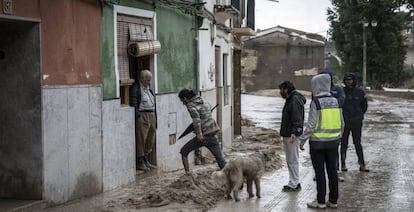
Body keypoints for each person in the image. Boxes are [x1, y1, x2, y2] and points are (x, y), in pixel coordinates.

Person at [299, 74, 344, 209]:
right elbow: (342, 123)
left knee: (319, 173)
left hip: (317, 144)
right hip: (333, 143)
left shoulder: (316, 102)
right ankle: (333, 201)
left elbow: (311, 124)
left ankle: (320, 202)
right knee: (332, 172)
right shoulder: (336, 101)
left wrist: (302, 141)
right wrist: (338, 138)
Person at [178, 89, 226, 175]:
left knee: (184, 151)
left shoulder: (190, 105)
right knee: (221, 160)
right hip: (212, 133)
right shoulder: (202, 100)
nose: (183, 103)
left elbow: (196, 120)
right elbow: (208, 107)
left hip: (203, 136)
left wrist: (199, 133)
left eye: (182, 101)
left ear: (185, 98)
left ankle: (188, 175)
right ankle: (233, 177)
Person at [278, 81, 306, 192]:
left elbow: (297, 118)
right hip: (289, 133)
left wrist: (295, 132)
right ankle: (294, 181)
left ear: (286, 89)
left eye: (281, 90)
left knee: (292, 159)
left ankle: (294, 183)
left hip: (291, 135)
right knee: (291, 159)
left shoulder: (294, 100)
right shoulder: (292, 99)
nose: (280, 92)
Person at [341, 73, 369, 172]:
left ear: (354, 80)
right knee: (343, 143)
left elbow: (364, 106)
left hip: (356, 122)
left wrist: (359, 115)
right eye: (347, 80)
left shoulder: (360, 92)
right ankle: (343, 164)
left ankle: (362, 164)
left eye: (350, 80)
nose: (349, 81)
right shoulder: (342, 91)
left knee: (357, 143)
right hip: (345, 122)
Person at [320, 68, 345, 182]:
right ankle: (320, 173)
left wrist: (329, 102)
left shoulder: (337, 90)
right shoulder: (318, 90)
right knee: (319, 151)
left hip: (334, 123)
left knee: (334, 150)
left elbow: (341, 102)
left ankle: (336, 171)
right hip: (320, 125)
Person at [130, 69, 157, 171]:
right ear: (141, 79)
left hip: (151, 114)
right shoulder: (136, 89)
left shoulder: (149, 90)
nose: (149, 82)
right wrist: (137, 116)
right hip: (142, 114)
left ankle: (146, 158)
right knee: (142, 139)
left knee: (151, 138)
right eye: (147, 80)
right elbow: (134, 102)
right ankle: (140, 161)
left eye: (150, 80)